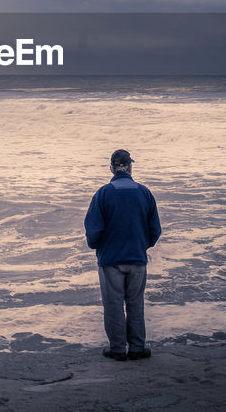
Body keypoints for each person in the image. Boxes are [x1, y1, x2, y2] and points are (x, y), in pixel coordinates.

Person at [84, 149, 162, 361]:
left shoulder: (103, 193)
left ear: (111, 167)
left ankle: (117, 349)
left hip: (111, 260)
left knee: (113, 305)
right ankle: (137, 347)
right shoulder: (144, 192)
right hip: (137, 258)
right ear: (130, 167)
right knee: (136, 303)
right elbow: (155, 229)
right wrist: (142, 245)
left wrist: (99, 247)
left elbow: (93, 231)